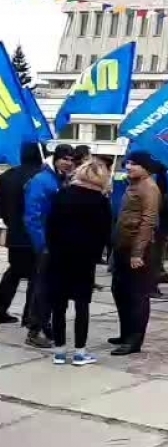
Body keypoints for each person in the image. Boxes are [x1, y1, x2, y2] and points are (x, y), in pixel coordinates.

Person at [47, 160, 112, 365]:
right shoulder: (100, 201)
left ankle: (59, 350)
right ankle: (79, 351)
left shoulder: (63, 194)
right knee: (82, 305)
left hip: (59, 256)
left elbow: (50, 225)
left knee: (59, 305)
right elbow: (105, 233)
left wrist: (53, 248)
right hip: (84, 259)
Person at [24, 143, 75, 348]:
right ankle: (34, 330)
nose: (68, 163)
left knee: (54, 288)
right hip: (47, 245)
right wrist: (42, 244)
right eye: (64, 159)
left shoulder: (62, 180)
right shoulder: (42, 181)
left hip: (59, 244)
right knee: (42, 289)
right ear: (55, 159)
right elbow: (32, 216)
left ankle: (45, 325)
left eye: (72, 160)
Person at [110, 151, 160, 356]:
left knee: (136, 295)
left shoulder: (149, 188)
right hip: (122, 246)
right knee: (120, 291)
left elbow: (148, 221)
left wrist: (137, 253)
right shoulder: (133, 185)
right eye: (128, 163)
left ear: (145, 168)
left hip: (137, 249)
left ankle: (134, 340)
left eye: (134, 164)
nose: (129, 167)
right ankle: (125, 333)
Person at [0, 142, 43, 325]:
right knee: (36, 276)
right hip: (36, 235)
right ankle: (30, 316)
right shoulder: (40, 177)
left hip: (15, 234)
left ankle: (0, 309)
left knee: (14, 272)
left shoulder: (7, 176)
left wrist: (10, 221)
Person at [149, 163, 168, 298]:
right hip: (158, 222)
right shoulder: (154, 180)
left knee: (159, 251)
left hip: (163, 220)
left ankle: (159, 274)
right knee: (154, 254)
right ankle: (151, 285)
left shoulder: (162, 177)